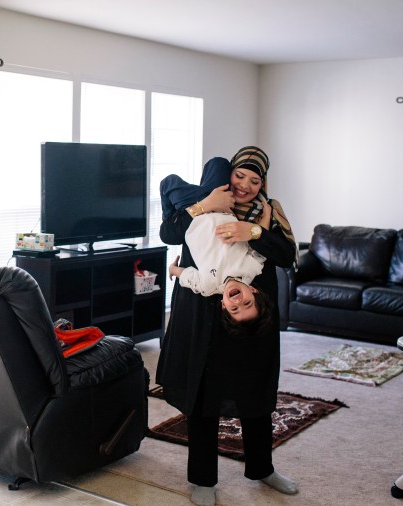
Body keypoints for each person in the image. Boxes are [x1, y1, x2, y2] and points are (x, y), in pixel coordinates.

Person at [157, 146, 298, 505]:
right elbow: (168, 234)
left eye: (255, 180)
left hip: (253, 313)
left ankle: (262, 468)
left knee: (256, 387)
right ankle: (203, 479)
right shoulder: (204, 199)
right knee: (204, 391)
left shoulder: (268, 210)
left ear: (263, 183)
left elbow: (287, 255)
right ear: (228, 174)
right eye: (240, 175)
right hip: (202, 309)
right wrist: (205, 206)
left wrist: (250, 231)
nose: (246, 186)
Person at [160, 158, 274, 330]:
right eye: (247, 303)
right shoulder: (251, 270)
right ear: (254, 292)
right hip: (223, 206)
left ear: (223, 305)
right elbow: (260, 245)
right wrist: (266, 218)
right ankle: (191, 201)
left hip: (193, 213)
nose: (238, 302)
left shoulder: (208, 286)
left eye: (234, 308)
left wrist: (173, 270)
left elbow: (188, 277)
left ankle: (171, 217)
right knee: (218, 163)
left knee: (168, 182)